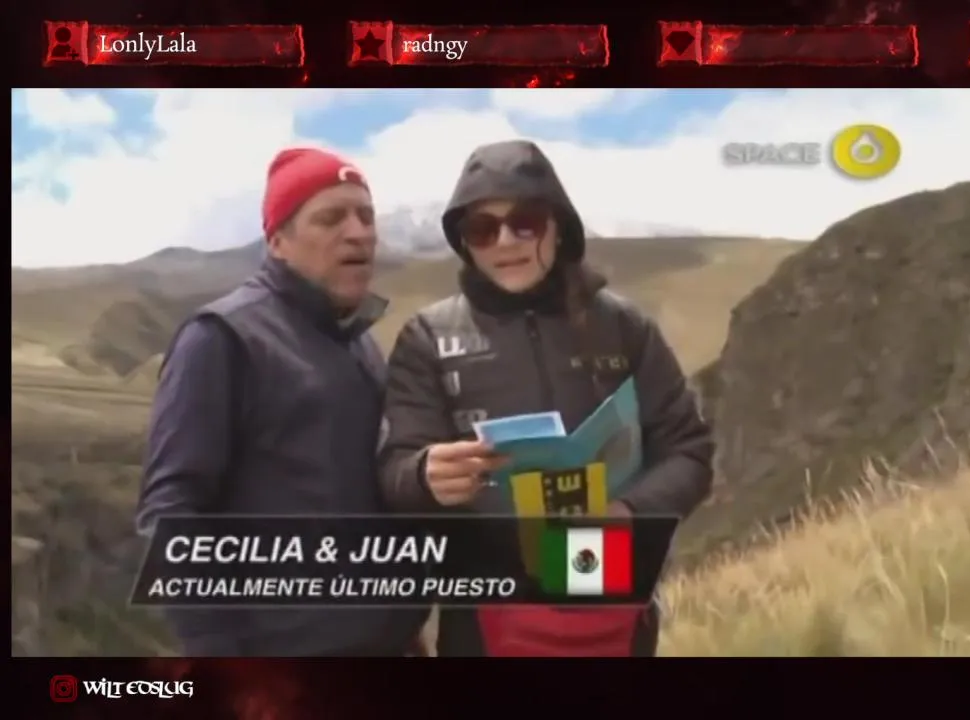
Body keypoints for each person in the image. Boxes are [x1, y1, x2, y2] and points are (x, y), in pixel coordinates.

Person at [378, 139, 714, 656]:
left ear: (559, 226)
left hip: (613, 593)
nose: (505, 241)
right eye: (482, 229)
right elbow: (395, 470)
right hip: (486, 613)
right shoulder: (427, 338)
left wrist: (630, 511)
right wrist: (425, 475)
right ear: (464, 242)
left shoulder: (624, 327)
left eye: (525, 222)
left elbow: (688, 451)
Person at [136, 148, 427, 656]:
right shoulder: (222, 338)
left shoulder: (358, 341)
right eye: (331, 218)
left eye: (365, 216)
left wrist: (402, 628)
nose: (358, 232)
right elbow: (171, 511)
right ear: (278, 242)